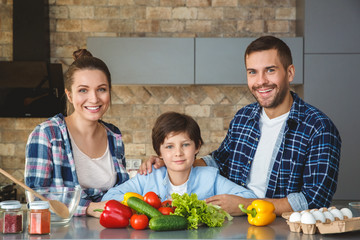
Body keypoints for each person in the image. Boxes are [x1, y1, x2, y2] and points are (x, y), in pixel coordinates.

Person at [138, 36, 342, 216]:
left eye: (270, 70)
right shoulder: (244, 117)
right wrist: (170, 160)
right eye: (252, 72)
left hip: (282, 228)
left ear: (289, 73)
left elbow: (314, 201)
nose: (261, 81)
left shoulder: (319, 128)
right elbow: (218, 161)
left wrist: (247, 204)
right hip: (236, 224)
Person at [25, 49, 129, 216]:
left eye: (101, 89)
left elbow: (123, 190)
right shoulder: (47, 134)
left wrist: (152, 169)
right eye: (83, 90)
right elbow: (36, 198)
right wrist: (88, 207)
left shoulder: (114, 135)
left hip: (112, 230)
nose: (94, 99)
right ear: (70, 95)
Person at [101, 111, 257, 203]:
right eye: (169, 146)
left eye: (186, 145)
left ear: (197, 146)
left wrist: (223, 204)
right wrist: (141, 205)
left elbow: (249, 197)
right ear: (159, 152)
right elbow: (110, 197)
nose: (178, 153)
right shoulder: (148, 178)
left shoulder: (210, 177)